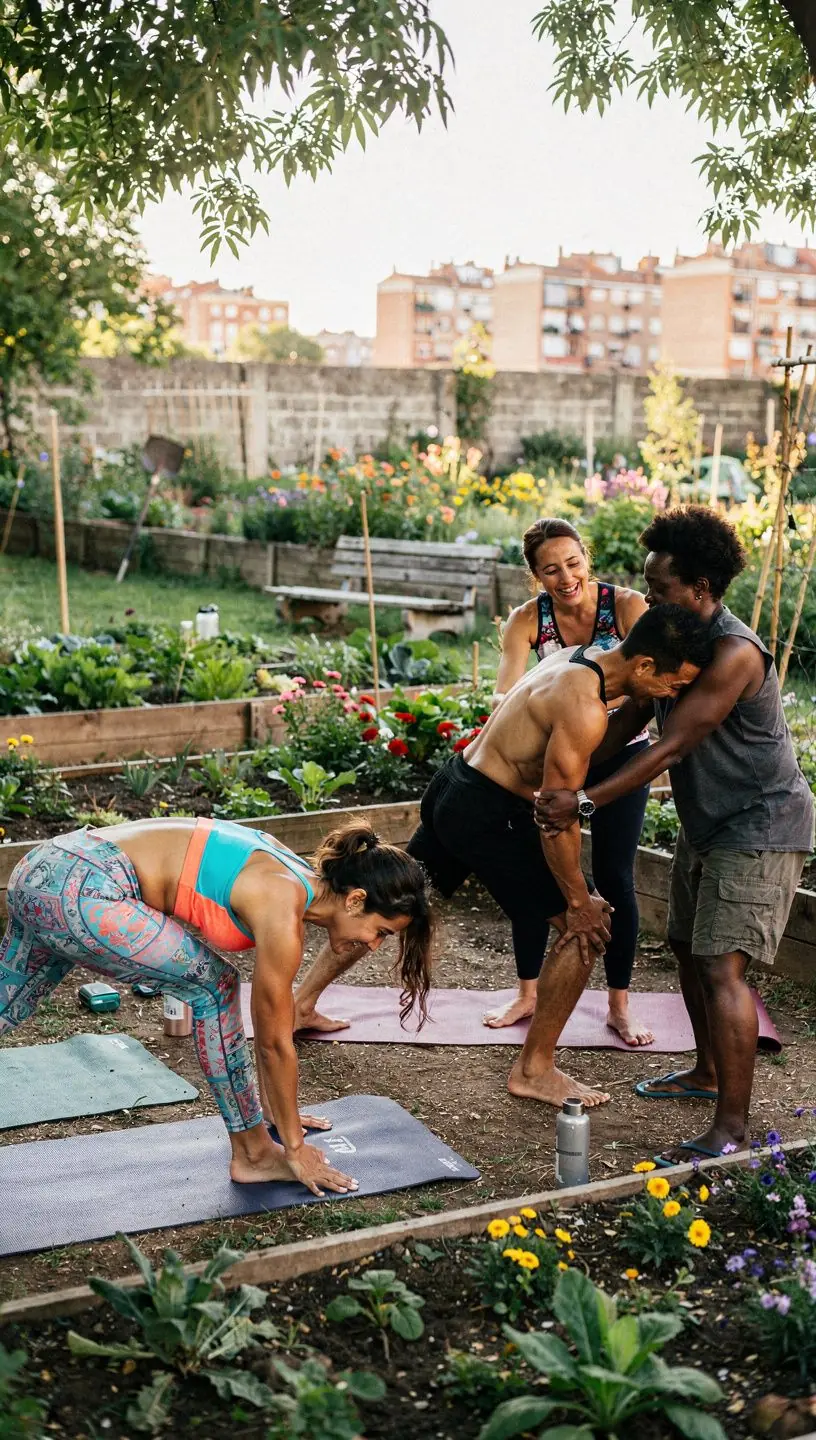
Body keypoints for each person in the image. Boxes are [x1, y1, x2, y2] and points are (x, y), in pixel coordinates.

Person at [293, 606, 711, 1110]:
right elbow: (556, 819)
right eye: (673, 684)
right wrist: (579, 900)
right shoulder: (585, 708)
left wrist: (642, 708)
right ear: (644, 666)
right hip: (492, 813)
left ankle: (301, 1004)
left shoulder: (581, 658)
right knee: (587, 930)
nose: (673, 696)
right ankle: (535, 1070)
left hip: (456, 787)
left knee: (391, 899)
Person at [535, 507, 814, 1161]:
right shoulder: (671, 634)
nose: (649, 594)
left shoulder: (735, 653)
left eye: (660, 585)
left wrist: (581, 801)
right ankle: (706, 1071)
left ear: (701, 585)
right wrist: (551, 760)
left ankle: (730, 1132)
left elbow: (668, 748)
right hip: (709, 821)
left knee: (723, 967)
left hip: (761, 823)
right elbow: (629, 717)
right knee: (689, 949)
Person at [0, 817, 433, 1195]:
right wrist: (294, 1149)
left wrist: (283, 1115)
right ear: (356, 899)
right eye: (380, 931)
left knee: (9, 1003)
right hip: (85, 887)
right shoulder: (283, 903)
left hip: (45, 867)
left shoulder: (289, 873)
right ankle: (253, 1155)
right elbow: (273, 1043)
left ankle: (259, 1141)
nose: (373, 946)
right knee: (215, 989)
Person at [489, 516, 652, 1044]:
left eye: (573, 563)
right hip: (554, 762)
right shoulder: (526, 621)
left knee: (614, 875)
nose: (565, 578)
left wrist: (593, 710)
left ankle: (619, 1005)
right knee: (538, 874)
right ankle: (528, 993)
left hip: (620, 755)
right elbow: (504, 696)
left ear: (587, 557)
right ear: (536, 576)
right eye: (550, 570)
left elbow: (652, 678)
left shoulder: (626, 607)